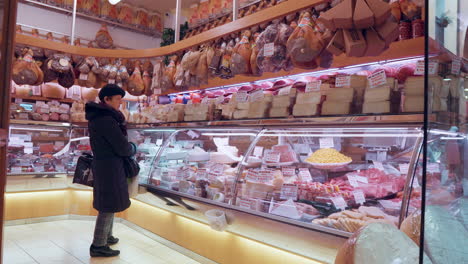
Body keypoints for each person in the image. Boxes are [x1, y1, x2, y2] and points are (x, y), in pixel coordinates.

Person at [85, 84, 136, 257]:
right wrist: (133, 148)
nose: (120, 104)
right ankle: (98, 245)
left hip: (106, 165)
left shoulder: (101, 116)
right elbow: (122, 147)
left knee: (109, 202)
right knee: (108, 205)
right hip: (110, 167)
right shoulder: (106, 119)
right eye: (117, 100)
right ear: (106, 99)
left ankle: (107, 235)